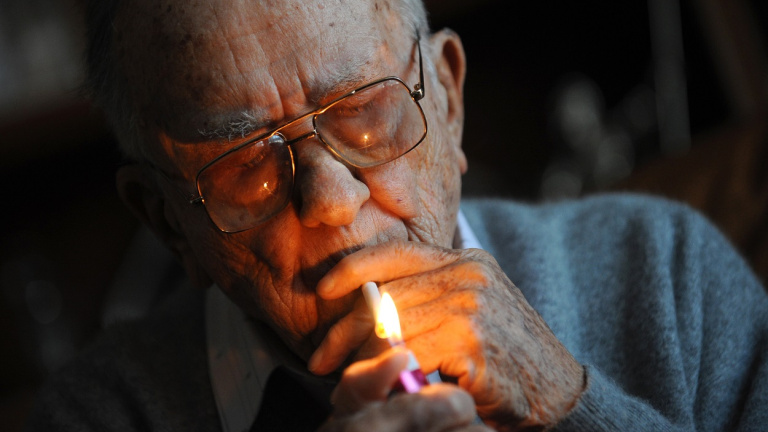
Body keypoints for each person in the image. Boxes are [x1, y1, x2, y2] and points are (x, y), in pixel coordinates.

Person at [27, 0, 768, 431]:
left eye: (363, 113)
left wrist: (566, 401)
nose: (331, 201)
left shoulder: (667, 269)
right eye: (246, 165)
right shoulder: (98, 415)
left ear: (447, 99)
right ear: (167, 224)